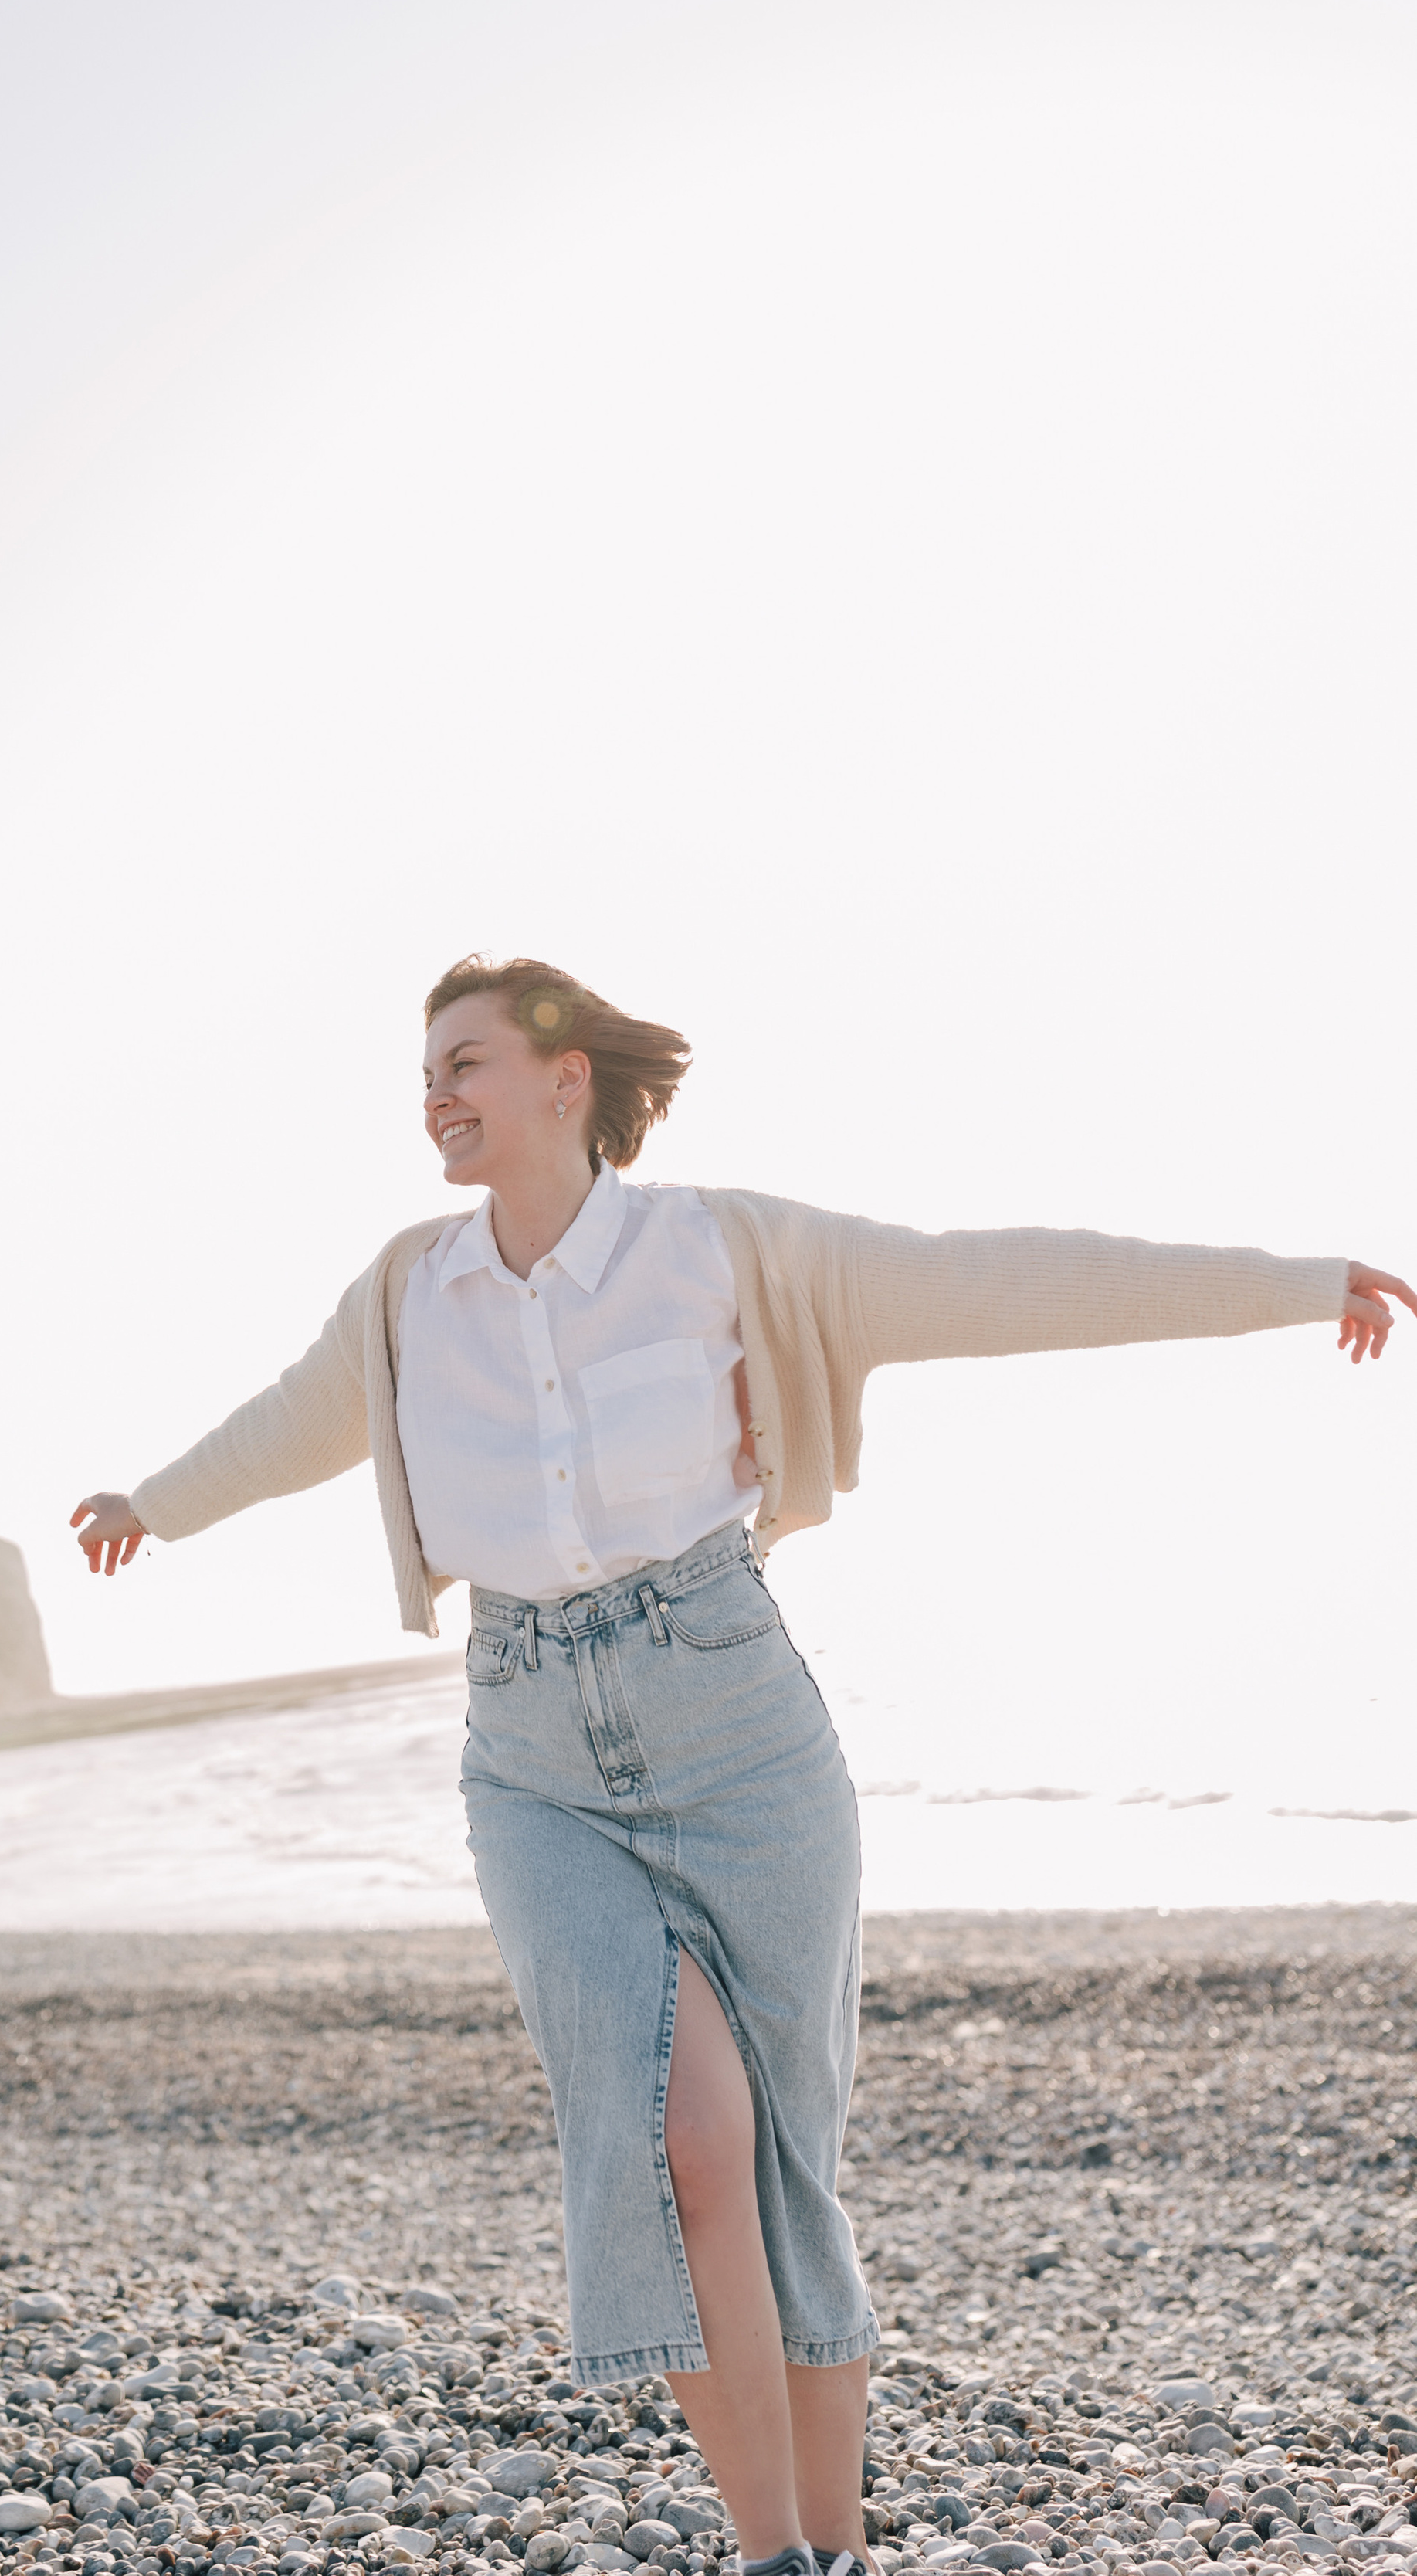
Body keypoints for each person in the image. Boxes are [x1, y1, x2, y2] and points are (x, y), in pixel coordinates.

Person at [72, 955, 1410, 2576]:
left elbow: (995, 1281)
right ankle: (768, 2554)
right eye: (423, 1067)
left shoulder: (721, 1248)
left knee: (777, 2164)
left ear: (566, 1080)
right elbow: (292, 1421)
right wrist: (151, 1502)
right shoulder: (405, 1291)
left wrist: (1286, 1280)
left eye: (467, 1059)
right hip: (529, 1754)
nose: (435, 1090)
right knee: (672, 2136)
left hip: (736, 1725)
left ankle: (822, 2552)